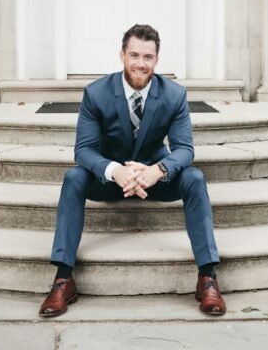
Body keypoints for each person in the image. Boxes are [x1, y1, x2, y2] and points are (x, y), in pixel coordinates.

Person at [39, 24, 225, 317]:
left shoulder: (174, 95)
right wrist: (115, 171)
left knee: (194, 178)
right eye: (134, 55)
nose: (141, 64)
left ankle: (207, 277)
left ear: (157, 60)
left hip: (154, 178)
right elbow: (83, 150)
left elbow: (185, 149)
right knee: (74, 176)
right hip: (110, 180)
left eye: (148, 57)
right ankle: (63, 279)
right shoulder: (96, 93)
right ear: (122, 55)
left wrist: (159, 170)